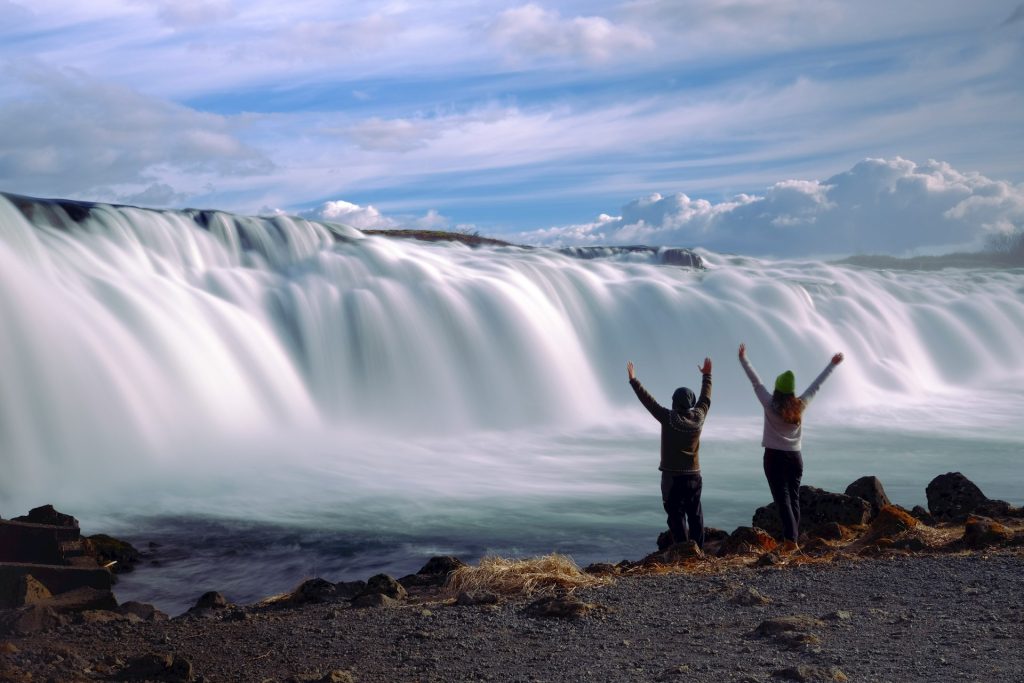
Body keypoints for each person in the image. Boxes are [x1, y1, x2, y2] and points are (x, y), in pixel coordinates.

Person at [738, 343, 843, 553]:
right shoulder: (801, 405)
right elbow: (816, 385)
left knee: (782, 499)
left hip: (774, 457)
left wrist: (743, 359)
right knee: (793, 497)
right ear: (792, 390)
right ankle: (792, 538)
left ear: (777, 388)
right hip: (795, 457)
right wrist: (832, 365)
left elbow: (756, 382)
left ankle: (790, 540)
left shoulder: (769, 404)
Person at [627, 357, 712, 549]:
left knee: (675, 515)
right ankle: (698, 549)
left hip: (672, 476)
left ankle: (683, 550)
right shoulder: (699, 417)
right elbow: (705, 398)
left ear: (674, 402)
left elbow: (649, 402)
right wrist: (707, 376)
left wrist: (634, 380)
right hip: (694, 476)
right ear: (690, 403)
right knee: (695, 513)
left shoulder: (668, 418)